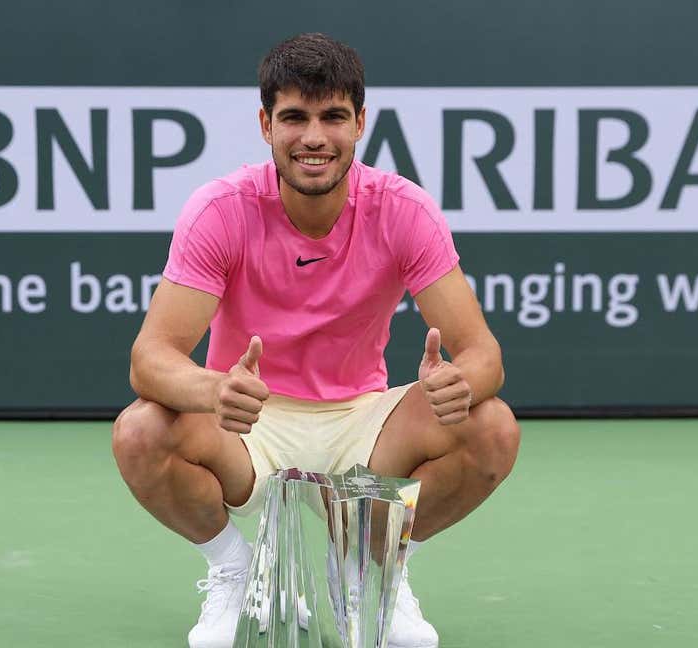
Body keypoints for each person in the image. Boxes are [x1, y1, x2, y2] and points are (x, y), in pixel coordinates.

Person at [112, 32, 521, 648]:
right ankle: (235, 571)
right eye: (294, 117)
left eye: (332, 116)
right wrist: (213, 386)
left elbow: (483, 353)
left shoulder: (403, 210)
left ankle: (369, 562)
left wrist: (462, 383)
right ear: (265, 125)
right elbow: (150, 359)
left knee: (493, 429)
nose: (313, 137)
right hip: (247, 424)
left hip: (363, 421)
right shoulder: (220, 210)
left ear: (359, 122)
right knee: (140, 431)